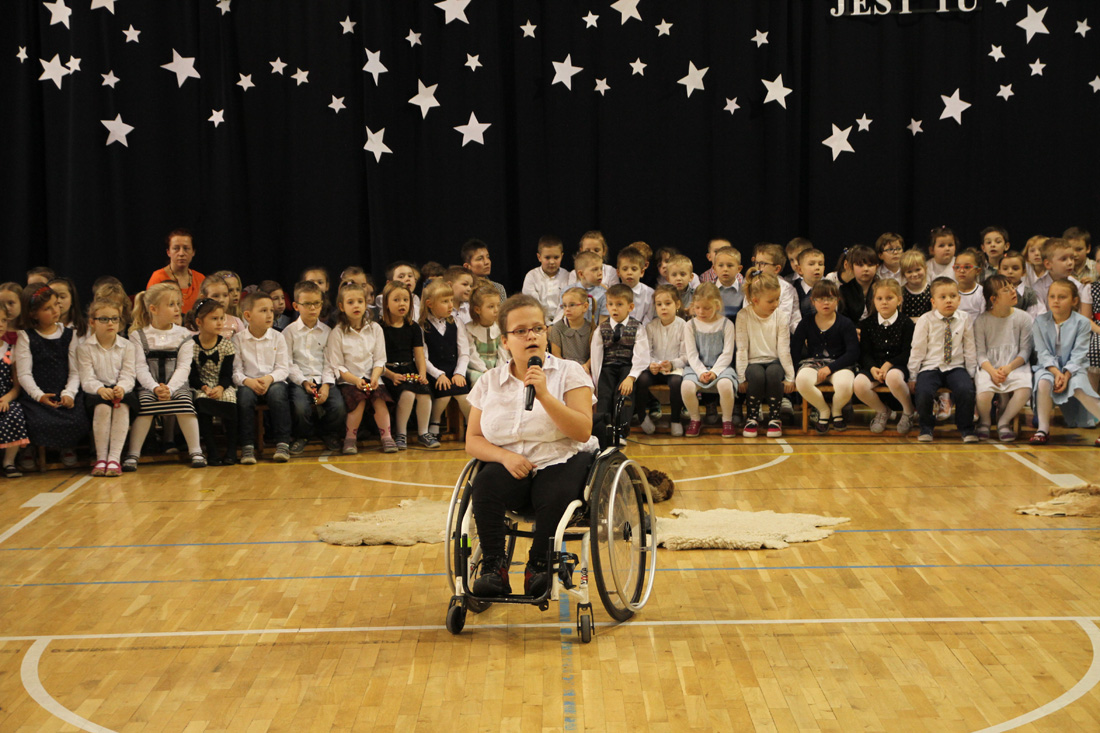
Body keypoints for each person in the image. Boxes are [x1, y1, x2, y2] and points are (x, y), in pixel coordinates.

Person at [466, 294, 599, 598]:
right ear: (505, 341)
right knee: (484, 484)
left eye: (538, 329)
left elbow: (582, 431)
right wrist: (504, 457)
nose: (531, 336)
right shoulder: (489, 381)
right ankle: (493, 567)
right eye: (521, 331)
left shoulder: (570, 372)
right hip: (511, 463)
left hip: (562, 457)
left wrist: (545, 396)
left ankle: (539, 564)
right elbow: (472, 439)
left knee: (553, 491)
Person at [124, 283, 204, 470]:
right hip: (149, 386)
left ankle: (196, 451)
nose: (177, 309)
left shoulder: (184, 335)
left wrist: (170, 388)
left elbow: (184, 367)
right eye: (171, 305)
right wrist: (154, 388)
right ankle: (133, 454)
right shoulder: (138, 336)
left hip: (177, 386)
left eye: (178, 304)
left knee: (185, 405)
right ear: (153, 309)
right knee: (145, 406)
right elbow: (140, 367)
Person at [16, 285, 89, 468]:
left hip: (63, 391)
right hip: (37, 396)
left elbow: (75, 371)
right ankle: (29, 448)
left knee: (77, 418)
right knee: (35, 421)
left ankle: (67, 446)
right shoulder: (26, 337)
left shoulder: (69, 334)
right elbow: (24, 374)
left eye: (56, 304)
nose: (56, 310)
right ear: (33, 314)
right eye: (47, 308)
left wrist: (69, 393)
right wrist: (39, 395)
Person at [907, 277, 978, 443]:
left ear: (959, 299)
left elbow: (969, 347)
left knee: (966, 390)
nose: (948, 300)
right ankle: (926, 427)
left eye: (953, 296)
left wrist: (971, 373)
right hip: (931, 367)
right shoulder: (925, 320)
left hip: (956, 366)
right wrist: (913, 375)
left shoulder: (965, 318)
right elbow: (917, 349)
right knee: (924, 391)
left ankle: (966, 429)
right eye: (943, 297)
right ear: (933, 301)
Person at [1030, 280, 1100, 445]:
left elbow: (1079, 353)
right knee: (1043, 382)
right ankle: (1043, 429)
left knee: (1079, 387)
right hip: (1048, 367)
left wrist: (1066, 374)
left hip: (1074, 368)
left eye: (1062, 297)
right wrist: (1056, 372)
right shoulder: (1039, 321)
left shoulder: (1082, 322)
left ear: (1074, 301)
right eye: (1052, 296)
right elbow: (1042, 352)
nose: (1056, 301)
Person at [324, 282, 391, 454]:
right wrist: (355, 380)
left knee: (379, 400)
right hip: (350, 380)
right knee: (358, 402)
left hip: (372, 378)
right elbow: (337, 366)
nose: (356, 306)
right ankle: (350, 439)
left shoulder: (375, 329)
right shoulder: (337, 332)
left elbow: (380, 359)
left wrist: (375, 377)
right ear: (341, 306)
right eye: (350, 302)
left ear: (366, 304)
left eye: (360, 302)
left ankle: (387, 437)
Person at [283, 281, 347, 454]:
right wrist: (303, 382)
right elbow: (288, 363)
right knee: (300, 407)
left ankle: (326, 432)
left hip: (323, 378)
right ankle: (303, 435)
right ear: (296, 306)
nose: (313, 308)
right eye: (307, 304)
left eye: (316, 303)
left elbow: (330, 361)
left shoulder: (327, 331)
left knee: (339, 407)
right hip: (300, 380)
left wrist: (326, 385)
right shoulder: (289, 332)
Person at [78, 299, 137, 477]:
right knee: (102, 408)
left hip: (121, 390)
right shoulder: (85, 348)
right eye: (104, 319)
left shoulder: (127, 346)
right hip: (96, 392)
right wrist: (100, 390)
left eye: (114, 319)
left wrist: (121, 387)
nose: (110, 323)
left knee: (122, 407)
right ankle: (101, 458)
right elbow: (87, 378)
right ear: (92, 322)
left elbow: (129, 374)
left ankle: (114, 458)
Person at [791, 280, 859, 434]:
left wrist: (830, 368)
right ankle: (823, 410)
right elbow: (795, 350)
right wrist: (792, 373)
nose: (826, 303)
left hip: (840, 364)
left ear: (837, 300)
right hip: (814, 363)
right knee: (802, 380)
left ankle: (837, 410)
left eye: (830, 298)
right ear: (813, 301)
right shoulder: (806, 322)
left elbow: (853, 353)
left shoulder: (846, 323)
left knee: (844, 385)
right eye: (821, 299)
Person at [233, 290, 292, 464]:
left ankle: (282, 443)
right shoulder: (238, 339)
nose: (269, 315)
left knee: (278, 394)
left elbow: (283, 368)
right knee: (244, 398)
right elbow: (236, 371)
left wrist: (269, 379)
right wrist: (248, 381)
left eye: (271, 311)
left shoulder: (278, 337)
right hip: (249, 382)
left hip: (272, 381)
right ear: (248, 315)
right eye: (263, 311)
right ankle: (247, 446)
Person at [973, 276, 1033, 443]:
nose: (1013, 291)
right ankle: (985, 421)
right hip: (989, 365)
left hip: (1015, 364)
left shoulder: (1024, 318)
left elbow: (1025, 350)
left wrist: (1009, 368)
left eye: (1012, 287)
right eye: (1006, 290)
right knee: (984, 393)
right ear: (994, 299)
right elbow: (980, 353)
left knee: (1024, 389)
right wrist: (992, 371)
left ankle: (1004, 422)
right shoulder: (982, 321)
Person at [735, 272, 794, 439]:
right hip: (752, 362)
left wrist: (790, 376)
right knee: (756, 375)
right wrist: (741, 377)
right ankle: (752, 417)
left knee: (774, 373)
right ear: (755, 300)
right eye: (770, 301)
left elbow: (784, 349)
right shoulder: (743, 316)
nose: (776, 304)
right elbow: (741, 348)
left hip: (774, 361)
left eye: (777, 299)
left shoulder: (780, 316)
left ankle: (775, 418)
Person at [853, 279, 916, 434]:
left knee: (893, 378)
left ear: (899, 300)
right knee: (859, 384)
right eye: (879, 298)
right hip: (874, 365)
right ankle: (883, 411)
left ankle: (908, 411)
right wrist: (872, 368)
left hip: (897, 365)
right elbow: (864, 353)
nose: (884, 302)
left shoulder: (906, 323)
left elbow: (908, 352)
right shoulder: (867, 324)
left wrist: (889, 364)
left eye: (889, 298)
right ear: (874, 301)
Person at [590, 284, 650, 443]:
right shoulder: (601, 329)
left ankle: (621, 432)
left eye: (619, 304)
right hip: (607, 367)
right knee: (604, 396)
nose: (614, 308)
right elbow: (596, 356)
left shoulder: (637, 327)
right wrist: (596, 381)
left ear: (630, 307)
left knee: (623, 395)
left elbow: (641, 355)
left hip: (627, 367)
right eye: (610, 304)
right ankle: (602, 432)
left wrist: (631, 376)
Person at [379, 282, 431, 451]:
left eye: (405, 300)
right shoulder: (379, 328)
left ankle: (423, 433)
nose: (402, 304)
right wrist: (391, 375)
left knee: (424, 393)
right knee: (407, 393)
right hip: (388, 373)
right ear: (386, 303)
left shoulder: (413, 327)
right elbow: (376, 359)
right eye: (396, 300)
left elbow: (419, 355)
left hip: (409, 370)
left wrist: (422, 374)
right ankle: (401, 434)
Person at [680, 283, 737, 437]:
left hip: (721, 368)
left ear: (717, 305)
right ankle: (695, 419)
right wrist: (701, 372)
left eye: (706, 308)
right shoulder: (690, 325)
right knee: (686, 386)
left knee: (725, 385)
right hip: (697, 367)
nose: (701, 312)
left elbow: (727, 353)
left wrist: (715, 372)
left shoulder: (727, 324)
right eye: (697, 307)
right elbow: (692, 354)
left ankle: (727, 420)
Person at [187, 298, 239, 465]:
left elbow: (227, 373)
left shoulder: (226, 345)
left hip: (221, 385)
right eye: (214, 319)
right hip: (200, 386)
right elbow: (191, 375)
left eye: (221, 318)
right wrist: (204, 387)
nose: (219, 323)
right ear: (199, 322)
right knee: (202, 403)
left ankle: (231, 450)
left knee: (231, 401)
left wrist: (221, 387)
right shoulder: (190, 346)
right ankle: (212, 451)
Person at [421, 280, 471, 445]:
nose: (450, 305)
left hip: (454, 370)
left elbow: (464, 353)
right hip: (434, 372)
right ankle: (434, 423)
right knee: (444, 393)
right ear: (430, 304)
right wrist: (439, 374)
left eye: (451, 300)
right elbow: (422, 358)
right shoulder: (423, 326)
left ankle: (471, 426)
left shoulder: (456, 322)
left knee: (464, 396)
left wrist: (459, 373)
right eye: (444, 301)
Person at [636, 285, 688, 436]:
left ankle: (675, 420)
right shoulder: (651, 327)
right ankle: (642, 416)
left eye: (668, 303)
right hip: (655, 369)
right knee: (641, 379)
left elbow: (686, 356)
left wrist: (672, 364)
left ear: (677, 304)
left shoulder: (684, 326)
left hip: (674, 368)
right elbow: (646, 352)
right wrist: (652, 364)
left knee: (676, 382)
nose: (663, 308)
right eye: (659, 304)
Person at [0, 301, 29, 478]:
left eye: (3, 320)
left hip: (5, 399)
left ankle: (9, 462)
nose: (1, 324)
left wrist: (6, 399)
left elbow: (17, 387)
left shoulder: (11, 349)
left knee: (15, 412)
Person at [147, 229, 205, 312]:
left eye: (186, 248)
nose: (181, 253)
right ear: (168, 252)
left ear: (193, 252)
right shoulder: (158, 278)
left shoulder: (200, 278)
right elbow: (150, 311)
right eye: (176, 248)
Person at [1033, 238, 1092, 317]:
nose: (1070, 263)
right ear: (1048, 264)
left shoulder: (1078, 286)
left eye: (1072, 258)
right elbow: (1041, 317)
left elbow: (1083, 315)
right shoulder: (1038, 288)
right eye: (1064, 259)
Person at [751, 243, 802, 334]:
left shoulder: (786, 289)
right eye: (756, 263)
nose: (757, 268)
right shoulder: (752, 284)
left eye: (762, 264)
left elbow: (784, 320)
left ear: (777, 269)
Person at [521, 235, 569, 323]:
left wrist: (555, 325)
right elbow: (532, 304)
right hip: (537, 320)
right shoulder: (531, 276)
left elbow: (566, 304)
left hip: (562, 322)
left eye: (556, 257)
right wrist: (546, 323)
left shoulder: (567, 276)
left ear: (562, 256)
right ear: (539, 257)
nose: (552, 262)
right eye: (547, 257)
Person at [466, 285, 508, 385]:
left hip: (497, 367)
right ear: (477, 310)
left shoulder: (500, 327)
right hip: (477, 368)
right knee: (481, 381)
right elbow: (471, 354)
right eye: (491, 306)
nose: (496, 310)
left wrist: (497, 371)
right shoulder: (469, 329)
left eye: (498, 305)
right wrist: (485, 371)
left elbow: (503, 353)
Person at [548, 286, 593, 373]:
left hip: (586, 369)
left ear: (585, 306)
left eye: (572, 305)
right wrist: (569, 369)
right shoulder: (557, 328)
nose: (567, 309)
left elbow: (595, 354)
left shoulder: (592, 328)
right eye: (564, 306)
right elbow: (556, 355)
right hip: (564, 369)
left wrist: (587, 365)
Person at [838, 245, 878, 324]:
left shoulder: (883, 288)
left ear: (877, 267)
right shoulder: (844, 290)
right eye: (860, 265)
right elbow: (842, 317)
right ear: (851, 267)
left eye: (870, 265)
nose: (865, 269)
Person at [199, 274, 246, 339]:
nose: (221, 300)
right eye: (215, 296)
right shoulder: (198, 323)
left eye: (225, 295)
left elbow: (244, 343)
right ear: (203, 298)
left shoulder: (236, 322)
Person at [615, 247, 654, 325]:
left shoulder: (650, 294)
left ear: (642, 272)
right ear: (618, 272)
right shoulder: (613, 293)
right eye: (625, 269)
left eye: (634, 269)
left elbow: (649, 319)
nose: (629, 272)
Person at [997, 250, 1040, 317]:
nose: (1010, 272)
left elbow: (1031, 316)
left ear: (1023, 272)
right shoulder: (994, 291)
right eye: (1005, 269)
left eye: (1015, 268)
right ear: (999, 272)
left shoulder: (1029, 294)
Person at [570, 250, 608, 322]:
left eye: (601, 269)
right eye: (595, 269)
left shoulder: (604, 294)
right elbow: (564, 318)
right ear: (581, 274)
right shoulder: (568, 292)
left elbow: (603, 322)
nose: (600, 273)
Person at [792, 248, 826, 321]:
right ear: (800, 270)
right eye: (811, 264)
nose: (817, 267)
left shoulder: (829, 288)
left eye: (820, 264)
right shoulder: (793, 290)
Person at [899, 249, 932, 322]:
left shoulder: (932, 290)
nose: (914, 274)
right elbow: (899, 316)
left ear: (925, 268)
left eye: (918, 270)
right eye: (909, 271)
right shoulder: (900, 292)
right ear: (903, 274)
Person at [713, 246, 744, 321]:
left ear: (739, 269)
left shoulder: (745, 291)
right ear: (714, 269)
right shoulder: (708, 291)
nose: (725, 269)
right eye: (721, 265)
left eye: (730, 265)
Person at [953, 249, 986, 321]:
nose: (961, 271)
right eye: (957, 267)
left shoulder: (982, 293)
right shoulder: (950, 292)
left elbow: (984, 320)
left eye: (967, 267)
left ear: (977, 271)